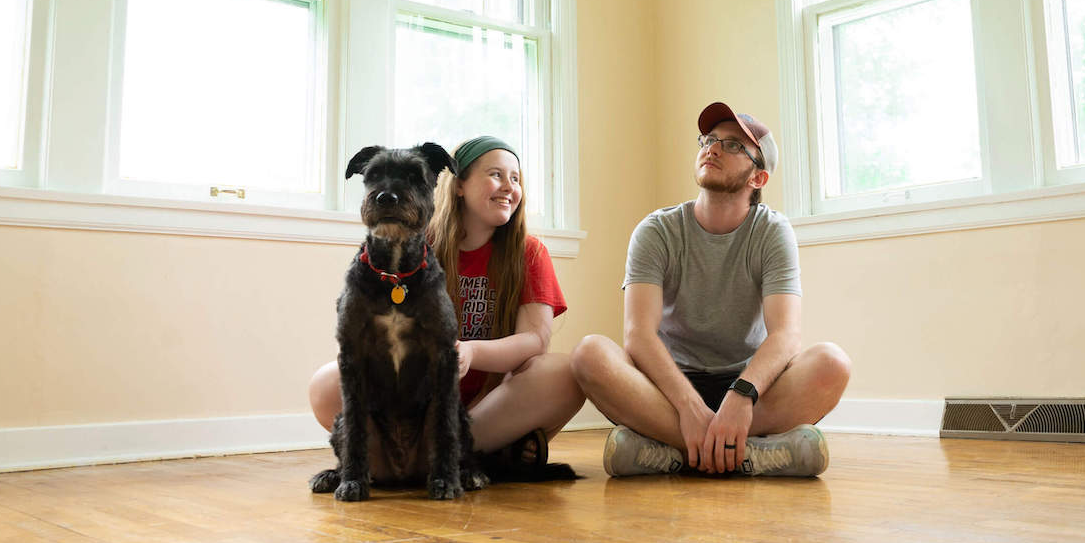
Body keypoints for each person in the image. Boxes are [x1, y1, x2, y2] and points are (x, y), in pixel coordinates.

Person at [570, 102, 852, 477]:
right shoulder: (656, 230)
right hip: (668, 388)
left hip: (750, 385)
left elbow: (786, 334)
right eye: (710, 139)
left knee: (832, 363)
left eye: (734, 145)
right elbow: (638, 334)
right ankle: (752, 454)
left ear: (758, 179)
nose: (714, 148)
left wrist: (742, 395)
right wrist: (687, 404)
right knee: (589, 354)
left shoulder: (772, 231)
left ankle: (669, 452)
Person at [309, 136, 583, 472]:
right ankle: (472, 456)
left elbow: (535, 341)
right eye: (495, 174)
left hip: (491, 403)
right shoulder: (416, 245)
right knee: (325, 383)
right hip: (416, 404)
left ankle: (450, 452)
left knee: (566, 373)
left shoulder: (530, 252)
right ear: (459, 186)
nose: (508, 186)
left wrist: (471, 353)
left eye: (516, 178)